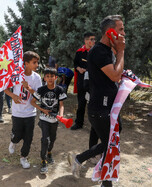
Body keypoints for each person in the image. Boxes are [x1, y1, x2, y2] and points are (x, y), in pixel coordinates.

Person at [68, 15, 125, 187]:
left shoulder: (106, 50)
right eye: (121, 29)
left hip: (108, 107)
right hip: (100, 109)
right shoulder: (99, 51)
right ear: (110, 32)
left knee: (111, 142)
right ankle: (102, 179)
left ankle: (80, 160)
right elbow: (115, 75)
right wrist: (121, 51)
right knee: (110, 144)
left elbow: (114, 75)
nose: (124, 33)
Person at [4, 51, 42, 169]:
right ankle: (13, 141)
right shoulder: (16, 75)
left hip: (30, 113)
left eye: (37, 62)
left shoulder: (37, 78)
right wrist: (13, 96)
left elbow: (39, 95)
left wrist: (29, 88)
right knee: (17, 135)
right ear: (26, 63)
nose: (37, 65)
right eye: (34, 62)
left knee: (28, 138)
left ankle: (23, 157)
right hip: (17, 112)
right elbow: (4, 88)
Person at [31, 67, 67, 174]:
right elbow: (32, 102)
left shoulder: (59, 90)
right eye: (48, 76)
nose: (50, 78)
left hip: (54, 120)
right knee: (45, 140)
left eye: (52, 76)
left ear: (56, 77)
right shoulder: (41, 90)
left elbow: (61, 105)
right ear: (44, 78)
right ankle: (43, 161)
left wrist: (60, 115)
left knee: (52, 139)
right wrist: (43, 110)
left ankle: (49, 152)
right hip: (44, 119)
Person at [71, 32, 96, 130]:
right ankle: (79, 123)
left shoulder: (96, 51)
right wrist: (79, 69)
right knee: (81, 103)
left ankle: (95, 126)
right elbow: (75, 63)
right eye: (91, 39)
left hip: (93, 81)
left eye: (94, 39)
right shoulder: (79, 52)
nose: (94, 41)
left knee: (93, 104)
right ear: (86, 40)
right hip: (82, 81)